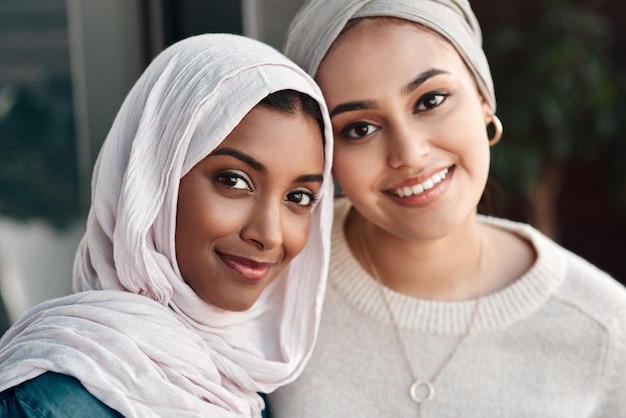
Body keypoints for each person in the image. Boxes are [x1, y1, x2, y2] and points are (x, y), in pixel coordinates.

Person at [266, 1, 626, 417]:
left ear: (483, 99)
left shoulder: (605, 329)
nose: (410, 154)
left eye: (431, 100)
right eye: (359, 128)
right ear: (326, 153)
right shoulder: (273, 276)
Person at [0, 33, 334, 418]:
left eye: (299, 197)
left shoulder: (244, 386)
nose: (270, 234)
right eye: (233, 180)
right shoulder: (52, 404)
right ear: (151, 183)